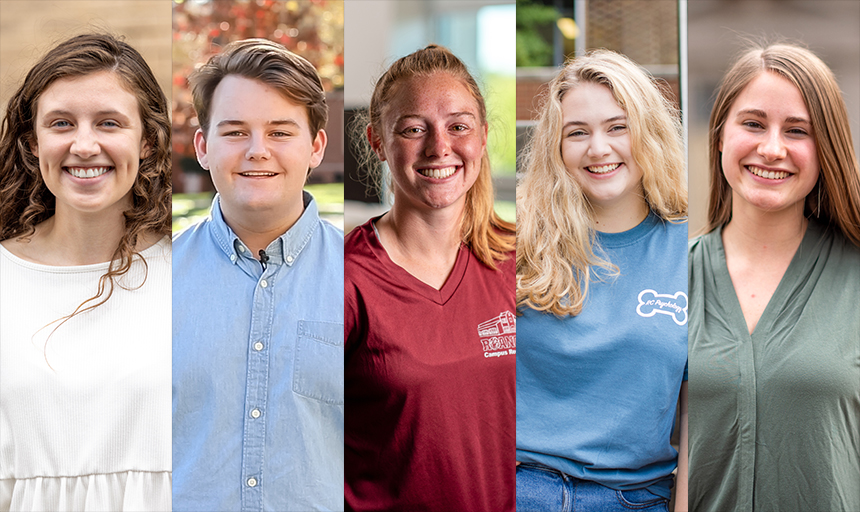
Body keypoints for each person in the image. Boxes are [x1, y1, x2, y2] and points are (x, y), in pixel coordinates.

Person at [0, 33, 172, 511]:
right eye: (61, 123)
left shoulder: (195, 270)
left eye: (109, 122)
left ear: (149, 143)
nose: (83, 144)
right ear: (34, 144)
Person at [171, 38, 343, 511]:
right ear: (203, 148)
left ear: (316, 147)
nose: (257, 151)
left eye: (280, 132)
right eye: (235, 132)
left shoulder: (365, 278)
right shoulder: (152, 280)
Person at [688, 43, 860, 512]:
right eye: (753, 123)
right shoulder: (674, 279)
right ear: (720, 134)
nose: (772, 148)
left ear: (826, 150)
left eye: (798, 130)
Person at [344, 45, 516, 511]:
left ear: (481, 138)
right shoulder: (343, 279)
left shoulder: (522, 260)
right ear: (377, 141)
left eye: (458, 126)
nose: (439, 147)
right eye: (414, 129)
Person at [515, 50, 689, 512]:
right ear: (556, 147)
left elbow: (698, 416)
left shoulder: (693, 252)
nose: (598, 148)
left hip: (638, 498)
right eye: (577, 132)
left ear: (648, 131)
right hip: (518, 490)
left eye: (617, 126)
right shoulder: (516, 244)